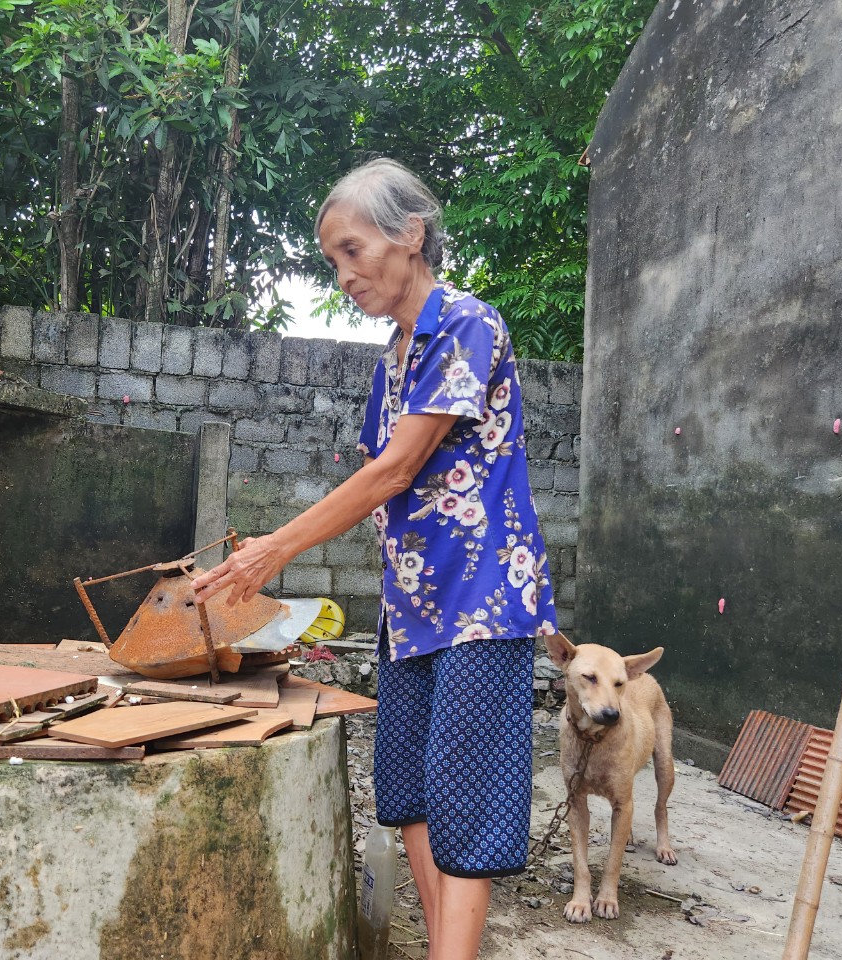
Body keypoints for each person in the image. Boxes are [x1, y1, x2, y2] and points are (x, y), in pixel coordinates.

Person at [192, 157, 557, 960]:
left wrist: (275, 549)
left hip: (482, 600)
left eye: (353, 250)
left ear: (411, 236)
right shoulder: (394, 356)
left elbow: (394, 470)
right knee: (413, 794)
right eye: (333, 260)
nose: (343, 273)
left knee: (466, 801)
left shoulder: (466, 323)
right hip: (414, 606)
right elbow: (379, 479)